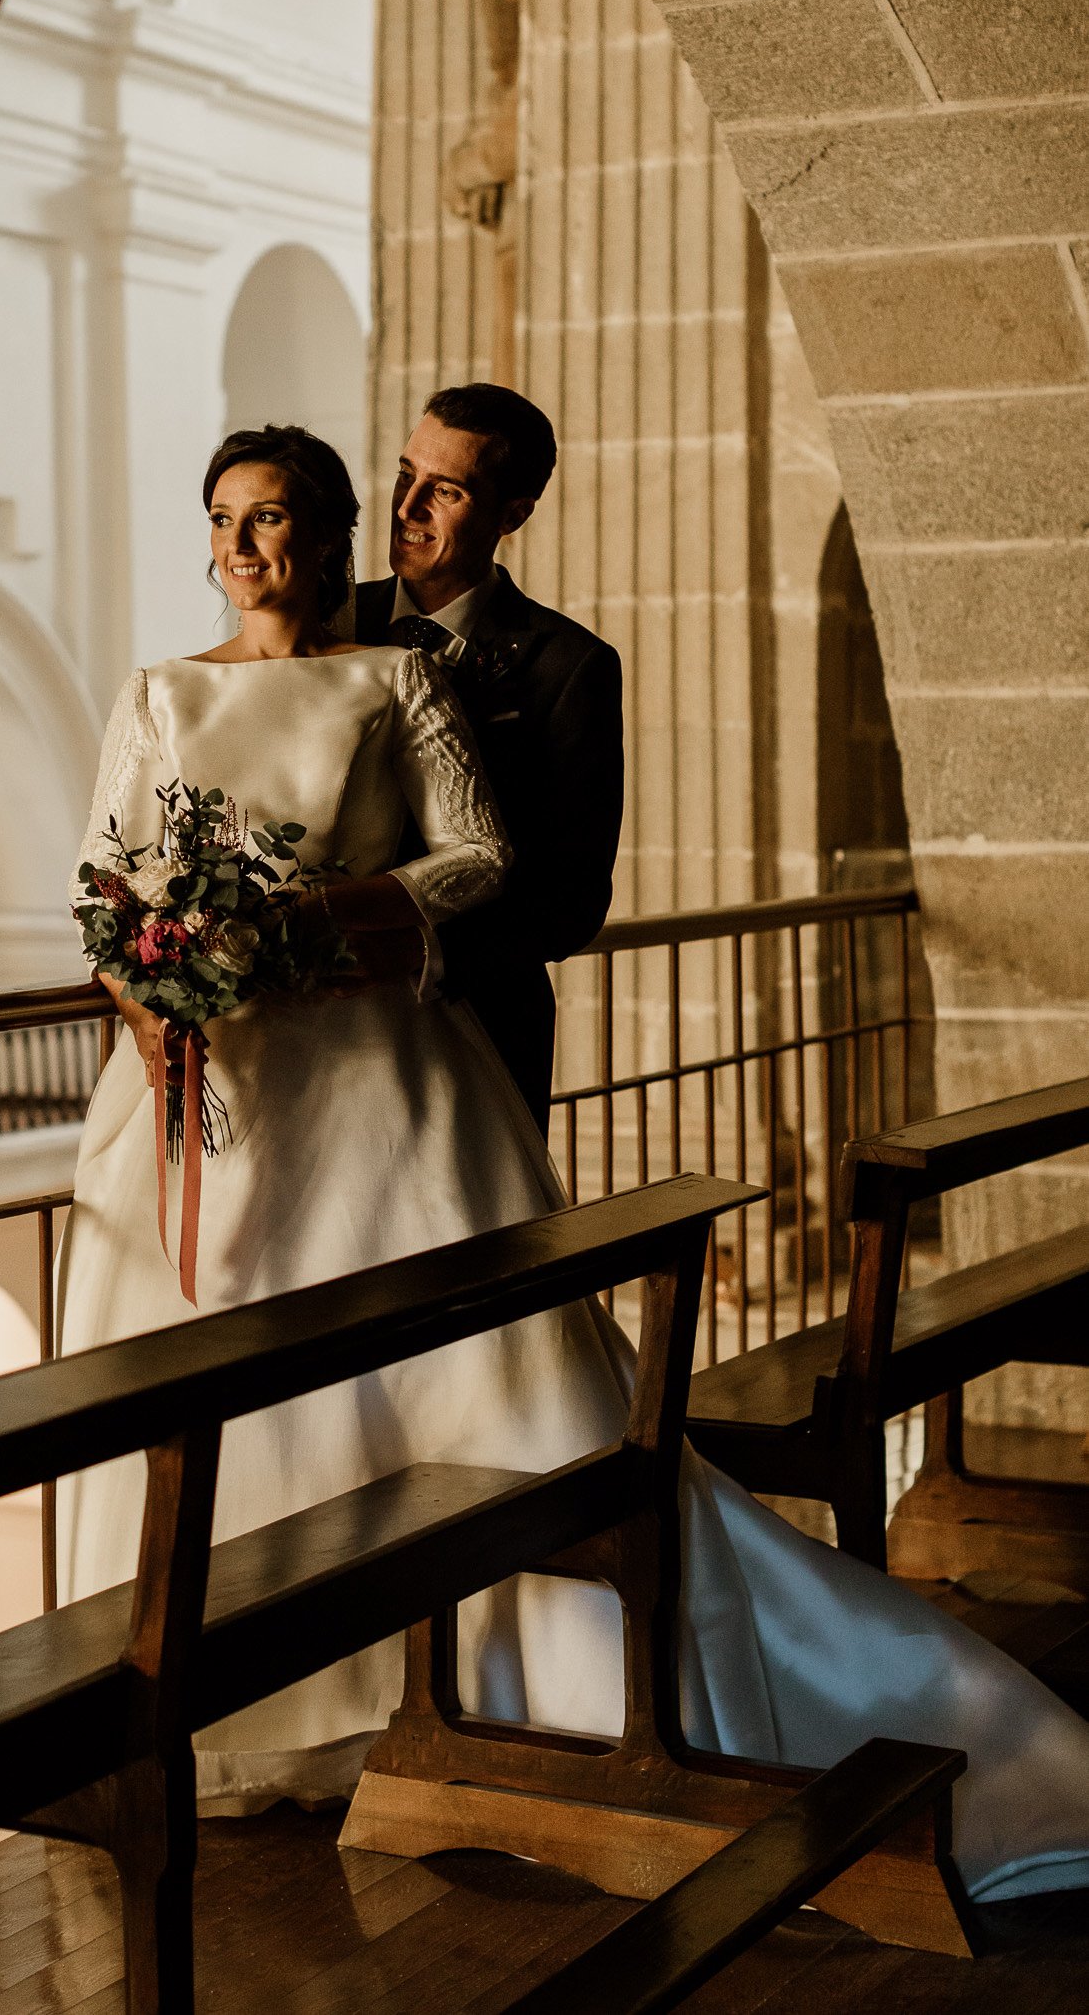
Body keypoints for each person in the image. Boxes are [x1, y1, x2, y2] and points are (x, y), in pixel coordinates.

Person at [56, 420, 1089, 1904]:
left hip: (372, 1076)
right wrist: (150, 1000)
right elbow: (104, 881)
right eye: (222, 518)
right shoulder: (153, 694)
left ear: (330, 533)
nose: (242, 544)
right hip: (202, 1091)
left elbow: (474, 856)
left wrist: (323, 919)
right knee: (208, 1384)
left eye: (273, 517)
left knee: (425, 1387)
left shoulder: (389, 674)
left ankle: (439, 1701)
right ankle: (218, 1705)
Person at [356, 383, 623, 1137]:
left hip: (475, 1027)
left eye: (442, 491)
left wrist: (416, 955)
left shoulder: (568, 666)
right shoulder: (323, 623)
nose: (406, 507)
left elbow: (573, 900)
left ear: (512, 515)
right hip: (315, 1028)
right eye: (405, 474)